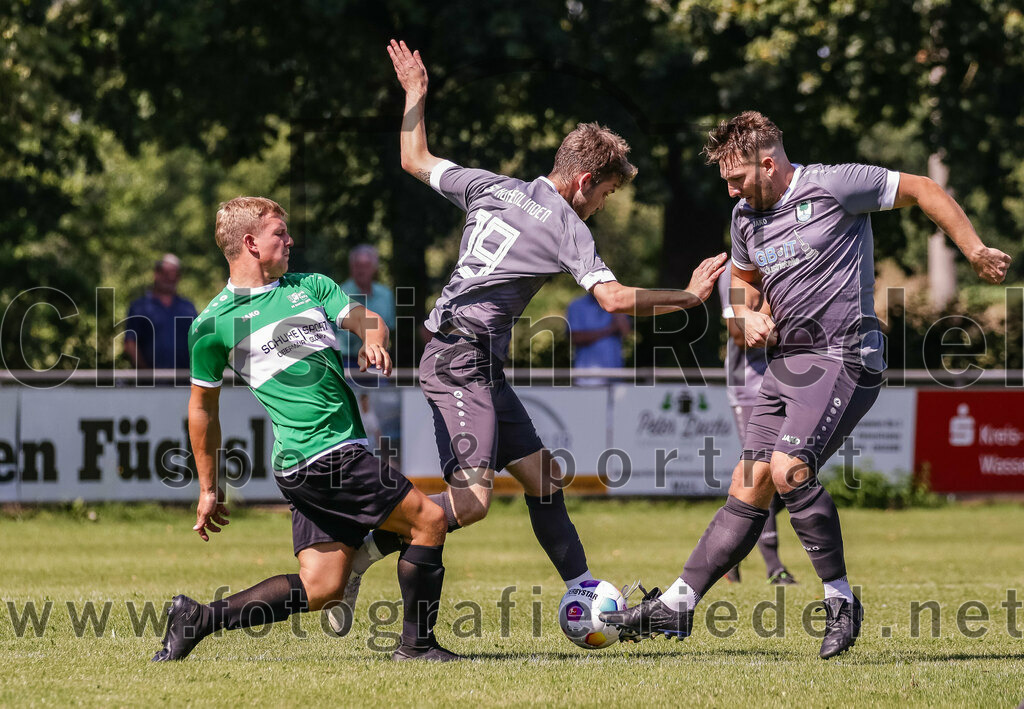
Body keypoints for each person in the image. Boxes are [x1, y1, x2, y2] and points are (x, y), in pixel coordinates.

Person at [327, 40, 727, 629]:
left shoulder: (492, 185)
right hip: (459, 359)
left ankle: (583, 589)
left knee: (544, 478)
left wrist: (415, 93)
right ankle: (357, 554)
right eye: (605, 194)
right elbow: (613, 299)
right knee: (473, 502)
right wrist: (688, 296)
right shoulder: (567, 225)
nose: (601, 206)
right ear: (585, 180)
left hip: (468, 359)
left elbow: (414, 158)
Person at [601, 111, 1010, 659]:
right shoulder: (744, 217)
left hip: (846, 354)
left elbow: (923, 188)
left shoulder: (835, 185)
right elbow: (742, 282)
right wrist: (742, 314)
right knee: (748, 483)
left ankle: (841, 601)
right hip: (786, 363)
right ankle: (677, 605)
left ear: (769, 164)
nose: (730, 190)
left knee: (789, 469)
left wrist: (974, 248)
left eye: (737, 178)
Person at [152, 196, 459, 663]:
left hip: (308, 462)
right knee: (430, 521)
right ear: (251, 244)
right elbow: (202, 411)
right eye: (280, 233)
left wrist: (371, 341)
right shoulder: (212, 324)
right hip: (324, 454)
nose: (290, 240)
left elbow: (369, 321)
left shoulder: (310, 286)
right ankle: (417, 647)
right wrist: (209, 488)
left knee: (323, 587)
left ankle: (198, 618)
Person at [716, 261, 796, 586]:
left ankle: (727, 549)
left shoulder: (790, 261)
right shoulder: (734, 274)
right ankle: (774, 566)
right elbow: (739, 335)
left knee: (793, 474)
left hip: (792, 384)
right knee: (761, 473)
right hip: (749, 387)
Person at [124, 254, 198, 370]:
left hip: (185, 377)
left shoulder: (188, 308)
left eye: (174, 273)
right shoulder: (139, 307)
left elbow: (199, 340)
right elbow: (130, 343)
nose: (169, 277)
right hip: (150, 378)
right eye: (165, 273)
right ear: (156, 274)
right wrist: (145, 373)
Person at [339, 244, 396, 372]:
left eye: (366, 266)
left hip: (377, 360)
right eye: (358, 265)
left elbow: (389, 327)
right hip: (346, 360)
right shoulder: (340, 293)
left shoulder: (386, 294)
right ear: (351, 268)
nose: (362, 270)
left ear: (374, 268)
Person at [566, 291, 630, 385]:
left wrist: (615, 305)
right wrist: (610, 330)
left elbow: (625, 331)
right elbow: (575, 338)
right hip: (587, 377)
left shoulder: (617, 305)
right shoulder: (576, 305)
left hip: (615, 375)